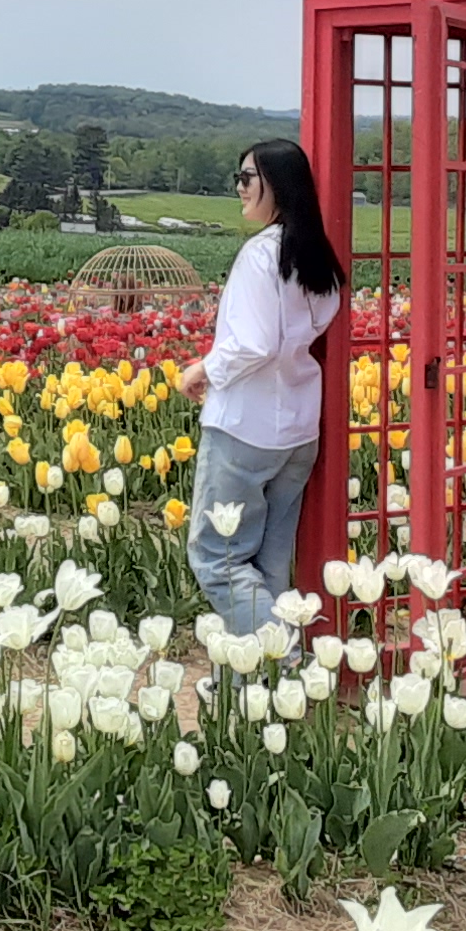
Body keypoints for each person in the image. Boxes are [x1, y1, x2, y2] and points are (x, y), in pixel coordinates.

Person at [177, 139, 347, 641]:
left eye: (247, 178)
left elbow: (254, 343)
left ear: (278, 185)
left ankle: (280, 661)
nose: (240, 189)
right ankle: (252, 688)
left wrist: (202, 369)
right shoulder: (315, 255)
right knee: (269, 564)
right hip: (298, 429)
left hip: (245, 428)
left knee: (218, 560)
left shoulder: (260, 255)